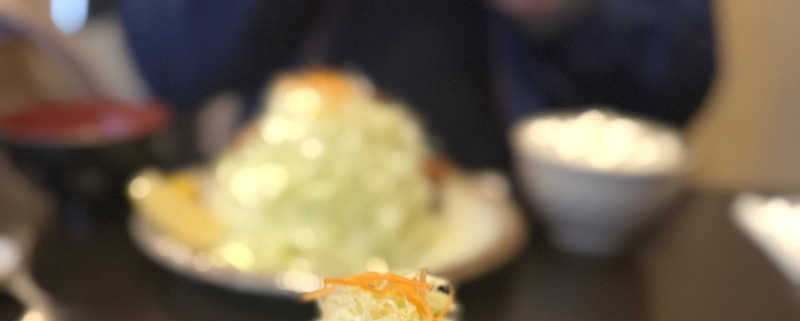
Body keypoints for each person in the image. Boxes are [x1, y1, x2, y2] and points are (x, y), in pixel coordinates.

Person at [119, 0, 715, 168]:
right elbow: (172, 63)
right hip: (277, 241)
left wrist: (562, 10)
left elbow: (679, 78)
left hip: (538, 250)